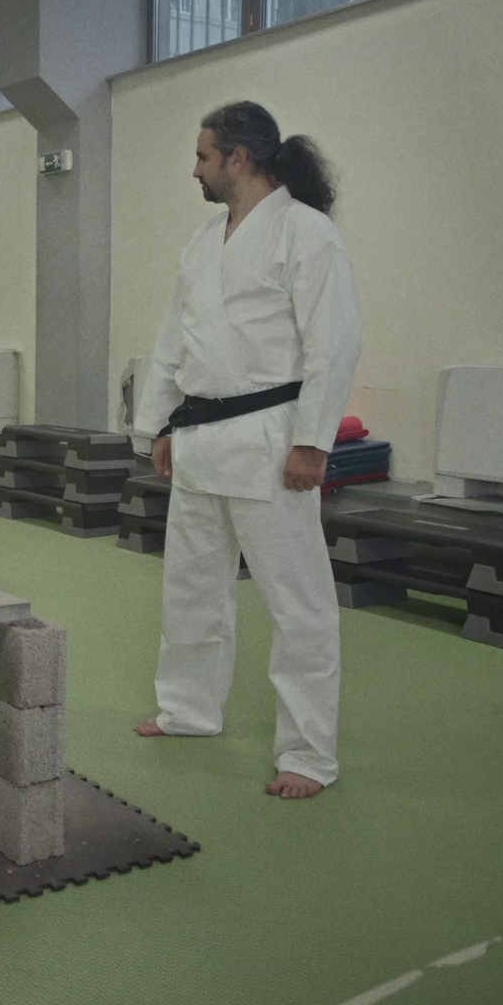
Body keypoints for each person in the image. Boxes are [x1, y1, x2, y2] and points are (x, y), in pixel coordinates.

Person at [132, 101, 362, 800]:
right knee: (193, 590)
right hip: (201, 441)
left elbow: (334, 343)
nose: (195, 169)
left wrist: (313, 441)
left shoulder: (306, 233)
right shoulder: (203, 242)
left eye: (203, 156)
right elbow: (175, 341)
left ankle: (307, 754)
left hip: (271, 442)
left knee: (298, 605)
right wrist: (160, 425)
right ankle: (189, 708)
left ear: (239, 158)